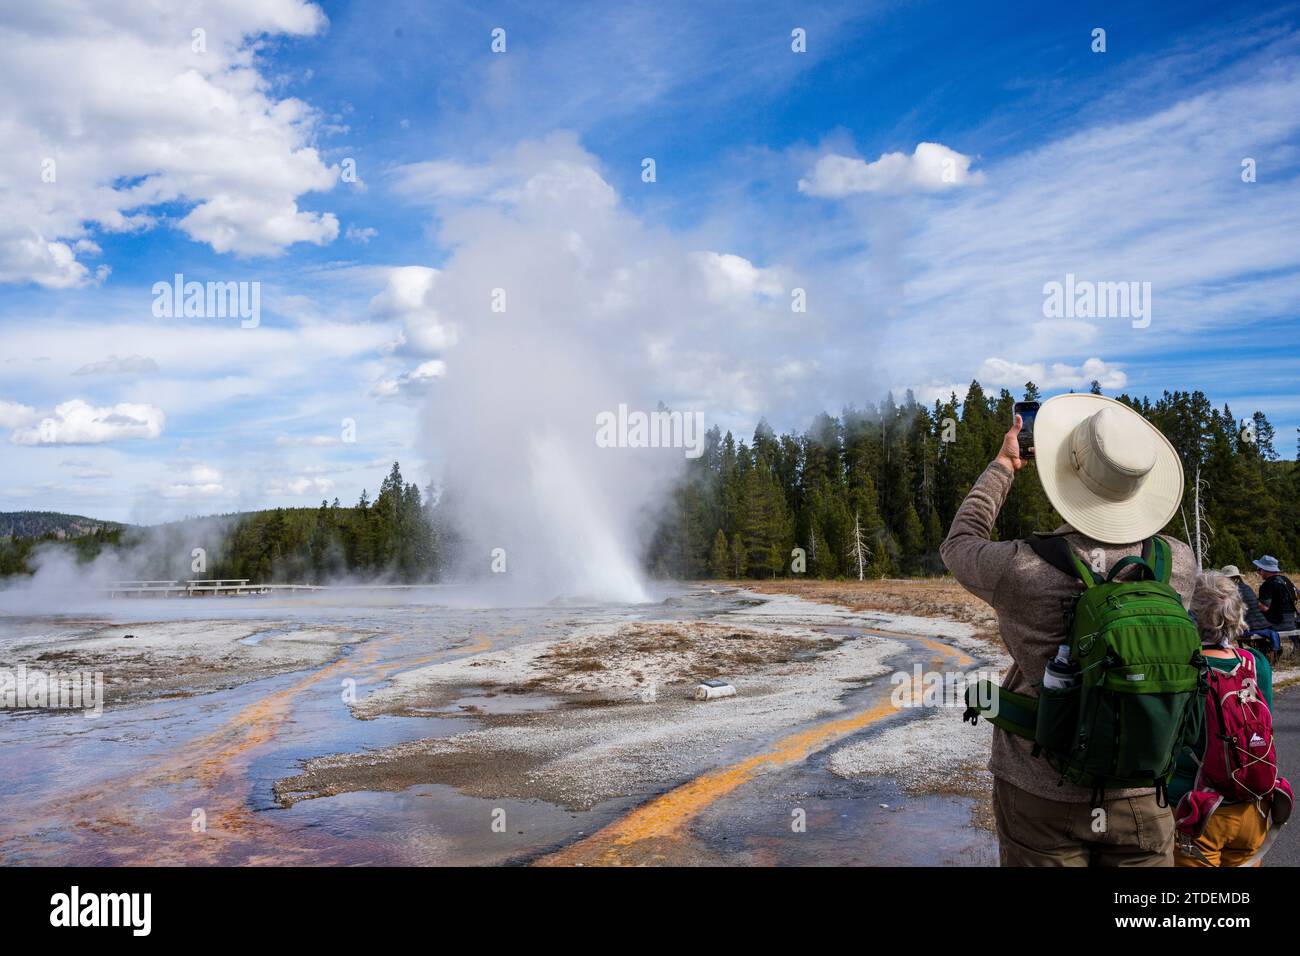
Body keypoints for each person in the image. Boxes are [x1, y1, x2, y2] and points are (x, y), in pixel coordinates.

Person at [942, 393, 1195, 866]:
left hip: (1040, 788)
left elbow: (959, 543)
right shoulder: (1178, 562)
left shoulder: (1019, 567)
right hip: (1140, 787)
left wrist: (1002, 466)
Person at [1172, 572, 1290, 866]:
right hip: (1253, 804)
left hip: (1196, 804)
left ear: (1192, 614)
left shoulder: (1185, 668)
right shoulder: (1255, 663)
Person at [1221, 564, 1280, 661]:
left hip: (1249, 626)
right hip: (1261, 624)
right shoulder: (1246, 587)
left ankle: (1224, 654)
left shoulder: (1231, 590)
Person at [1255, 556, 1297, 650]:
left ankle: (1268, 650)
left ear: (1265, 570)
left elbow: (1265, 608)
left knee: (1253, 625)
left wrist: (1254, 602)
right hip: (1292, 622)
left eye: (1259, 569)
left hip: (1277, 623)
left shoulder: (1267, 585)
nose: (1259, 572)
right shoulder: (1286, 580)